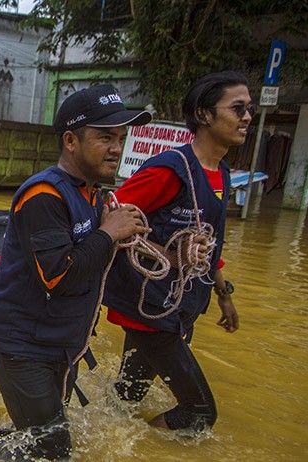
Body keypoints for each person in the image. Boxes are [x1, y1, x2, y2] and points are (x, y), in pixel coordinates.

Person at [0, 85, 152, 460]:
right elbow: (57, 277)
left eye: (120, 138)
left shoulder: (93, 194)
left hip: (61, 342)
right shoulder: (44, 194)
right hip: (23, 347)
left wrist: (118, 235)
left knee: (41, 435)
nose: (116, 148)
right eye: (105, 137)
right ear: (71, 141)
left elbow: (96, 264)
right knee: (54, 450)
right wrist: (108, 233)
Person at [103, 71, 243, 434]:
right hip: (151, 307)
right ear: (204, 114)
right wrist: (170, 255)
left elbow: (209, 241)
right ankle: (142, 447)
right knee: (199, 413)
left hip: (181, 304)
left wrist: (223, 293)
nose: (246, 118)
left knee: (125, 399)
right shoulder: (170, 171)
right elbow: (110, 213)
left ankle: (111, 443)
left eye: (250, 110)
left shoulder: (221, 172)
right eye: (237, 108)